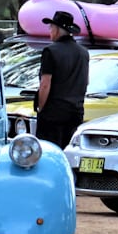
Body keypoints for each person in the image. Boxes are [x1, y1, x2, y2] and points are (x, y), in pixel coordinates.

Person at [33, 11, 89, 149]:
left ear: (58, 29)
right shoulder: (83, 52)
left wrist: (41, 108)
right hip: (76, 112)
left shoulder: (50, 51)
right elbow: (86, 81)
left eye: (51, 28)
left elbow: (45, 84)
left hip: (53, 113)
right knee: (68, 153)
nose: (50, 31)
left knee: (49, 153)